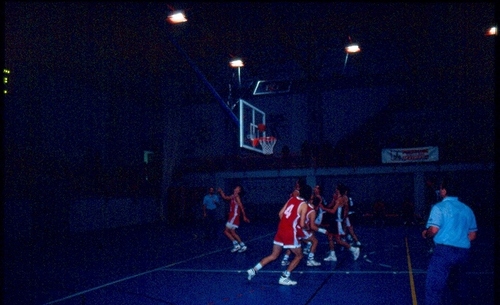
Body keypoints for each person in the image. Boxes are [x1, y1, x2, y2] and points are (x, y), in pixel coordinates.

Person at [421, 178, 477, 305]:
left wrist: (426, 233)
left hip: (444, 252)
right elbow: (472, 235)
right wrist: (459, 240)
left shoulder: (439, 207)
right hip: (463, 253)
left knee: (434, 288)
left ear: (444, 191)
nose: (439, 190)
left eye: (440, 188)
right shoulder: (467, 209)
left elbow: (434, 229)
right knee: (458, 287)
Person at [246, 184, 314, 285]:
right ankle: (284, 277)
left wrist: (287, 223)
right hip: (290, 232)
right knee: (299, 255)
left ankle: (254, 269)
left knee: (274, 255)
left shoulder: (291, 199)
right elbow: (302, 224)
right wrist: (307, 228)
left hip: (280, 230)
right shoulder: (304, 205)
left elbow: (280, 214)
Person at [281, 192, 326, 267]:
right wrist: (324, 231)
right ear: (317, 205)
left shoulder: (305, 204)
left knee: (293, 244)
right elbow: (312, 227)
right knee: (315, 241)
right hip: (301, 229)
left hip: (295, 227)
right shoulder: (312, 211)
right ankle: (310, 260)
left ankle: (285, 259)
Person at [320, 183, 360, 262]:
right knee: (330, 237)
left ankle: (353, 249)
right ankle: (333, 254)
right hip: (336, 221)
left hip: (337, 222)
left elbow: (333, 211)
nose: (335, 190)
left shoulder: (340, 199)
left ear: (339, 190)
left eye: (337, 189)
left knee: (338, 240)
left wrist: (323, 208)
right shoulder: (340, 198)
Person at [218, 185, 250, 253]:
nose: (236, 189)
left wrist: (244, 216)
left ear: (239, 191)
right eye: (236, 188)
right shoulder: (233, 196)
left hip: (234, 216)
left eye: (238, 189)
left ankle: (236, 245)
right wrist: (221, 192)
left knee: (226, 231)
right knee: (232, 232)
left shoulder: (237, 197)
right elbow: (225, 197)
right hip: (233, 216)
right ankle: (243, 246)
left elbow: (241, 206)